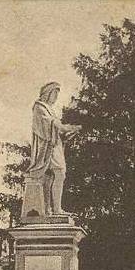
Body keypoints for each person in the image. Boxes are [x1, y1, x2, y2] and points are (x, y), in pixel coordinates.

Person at [27, 82, 81, 215]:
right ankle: (54, 209)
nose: (56, 96)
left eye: (58, 94)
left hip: (55, 145)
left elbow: (56, 127)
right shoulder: (39, 107)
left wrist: (68, 132)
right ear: (48, 93)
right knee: (59, 172)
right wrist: (65, 127)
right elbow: (49, 125)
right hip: (47, 148)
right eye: (54, 93)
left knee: (53, 176)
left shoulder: (50, 109)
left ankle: (51, 209)